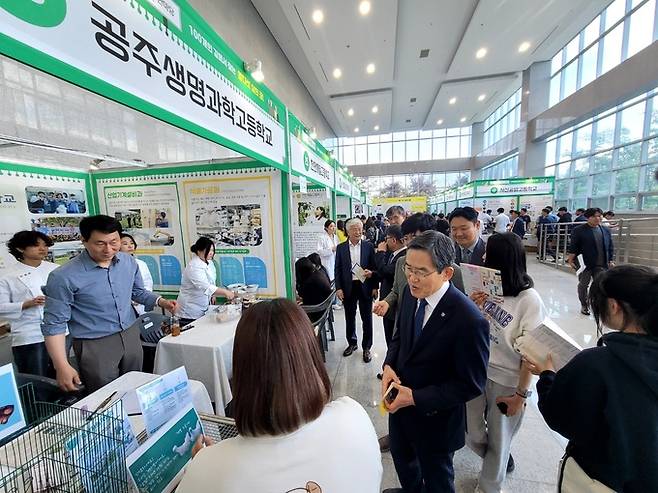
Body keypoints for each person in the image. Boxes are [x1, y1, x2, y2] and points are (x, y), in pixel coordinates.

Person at [177, 299, 383, 492]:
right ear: (311, 356)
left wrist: (209, 466)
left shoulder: (207, 471)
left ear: (242, 373)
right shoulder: (353, 415)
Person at [524, 265, 658, 492]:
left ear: (614, 306)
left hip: (602, 477)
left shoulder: (597, 364)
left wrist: (548, 376)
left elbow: (560, 416)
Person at [381, 231, 490, 493]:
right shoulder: (409, 293)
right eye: (408, 269)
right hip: (399, 408)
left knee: (438, 479)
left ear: (447, 273)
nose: (412, 278)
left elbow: (470, 384)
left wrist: (416, 397)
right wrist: (388, 366)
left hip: (436, 420)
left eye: (421, 271)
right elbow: (399, 338)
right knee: (403, 461)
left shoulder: (468, 319)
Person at [41, 215, 178, 393]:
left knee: (137, 386)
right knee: (106, 396)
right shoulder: (63, 276)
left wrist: (161, 301)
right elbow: (54, 324)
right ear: (83, 241)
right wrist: (61, 365)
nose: (108, 249)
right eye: (100, 243)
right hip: (95, 343)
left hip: (130, 334)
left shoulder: (128, 262)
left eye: (114, 242)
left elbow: (137, 292)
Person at [466, 233, 546, 493]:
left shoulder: (529, 301)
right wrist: (474, 306)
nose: (484, 258)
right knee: (472, 433)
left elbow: (531, 355)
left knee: (499, 442)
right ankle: (497, 459)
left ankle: (489, 486)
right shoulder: (488, 289)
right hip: (478, 372)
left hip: (508, 382)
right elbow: (476, 331)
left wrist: (520, 396)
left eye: (489, 254)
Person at [0, 231, 58, 377]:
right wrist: (28, 304)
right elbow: (1, 307)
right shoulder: (8, 275)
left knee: (63, 374)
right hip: (29, 334)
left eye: (45, 245)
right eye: (36, 245)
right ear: (20, 249)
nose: (42, 249)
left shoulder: (55, 269)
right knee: (36, 378)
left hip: (59, 330)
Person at [334, 218, 378, 363]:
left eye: (360, 228)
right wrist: (339, 288)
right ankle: (352, 343)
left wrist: (374, 287)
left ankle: (366, 347)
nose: (358, 231)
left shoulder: (368, 246)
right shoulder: (341, 248)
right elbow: (338, 269)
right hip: (348, 287)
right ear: (348, 231)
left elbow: (374, 267)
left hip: (365, 285)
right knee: (349, 316)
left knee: (367, 318)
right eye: (355, 229)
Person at [177, 237, 235, 327]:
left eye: (212, 250)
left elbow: (211, 279)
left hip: (203, 305)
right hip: (190, 310)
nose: (211, 253)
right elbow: (205, 286)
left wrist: (213, 294)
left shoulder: (209, 262)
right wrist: (225, 292)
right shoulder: (194, 267)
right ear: (199, 251)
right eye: (208, 250)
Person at [567, 208, 614, 316]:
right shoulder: (579, 230)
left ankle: (599, 305)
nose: (598, 218)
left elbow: (610, 246)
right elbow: (574, 246)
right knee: (583, 285)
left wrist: (610, 259)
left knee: (600, 285)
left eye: (600, 216)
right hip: (585, 263)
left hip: (601, 263)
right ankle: (584, 304)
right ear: (588, 217)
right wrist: (570, 259)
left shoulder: (605, 230)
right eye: (595, 216)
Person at [374, 225, 405, 346]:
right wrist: (373, 274)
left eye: (386, 238)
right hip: (388, 302)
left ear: (393, 240)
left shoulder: (402, 256)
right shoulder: (394, 254)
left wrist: (381, 252)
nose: (385, 242)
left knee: (392, 338)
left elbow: (385, 271)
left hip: (393, 303)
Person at [119, 233, 154, 315]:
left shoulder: (141, 264)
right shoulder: (114, 266)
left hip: (140, 305)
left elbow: (148, 283)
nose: (130, 246)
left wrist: (140, 299)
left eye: (131, 243)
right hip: (124, 306)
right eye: (125, 244)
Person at [295, 258, 332, 323]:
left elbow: (305, 298)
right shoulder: (318, 274)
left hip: (315, 312)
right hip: (322, 310)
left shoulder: (310, 282)